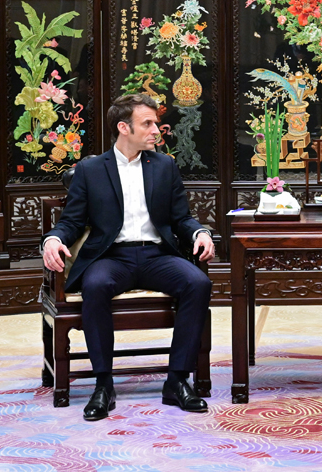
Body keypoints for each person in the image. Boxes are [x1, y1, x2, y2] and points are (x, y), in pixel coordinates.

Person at [42, 93, 215, 421]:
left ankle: (177, 380)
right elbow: (72, 222)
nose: (156, 130)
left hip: (157, 255)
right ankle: (103, 385)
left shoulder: (164, 166)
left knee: (198, 283)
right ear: (124, 128)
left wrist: (199, 233)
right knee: (95, 285)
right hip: (112, 257)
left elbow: (181, 218)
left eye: (155, 123)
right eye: (147, 123)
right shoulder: (91, 170)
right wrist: (53, 239)